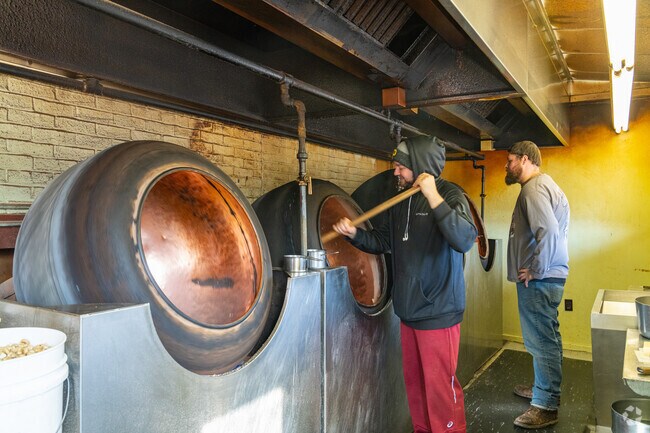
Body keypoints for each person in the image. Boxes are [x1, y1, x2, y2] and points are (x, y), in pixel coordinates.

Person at [332, 135, 477, 433]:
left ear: (420, 167)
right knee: (416, 387)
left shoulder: (450, 196)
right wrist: (354, 234)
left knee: (440, 392)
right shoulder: (402, 200)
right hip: (408, 312)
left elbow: (464, 239)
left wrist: (433, 196)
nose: (395, 172)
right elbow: (384, 241)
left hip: (438, 312)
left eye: (401, 166)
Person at [504, 140, 570, 429]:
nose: (507, 166)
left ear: (526, 159)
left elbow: (549, 232)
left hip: (541, 279)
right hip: (551, 277)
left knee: (540, 340)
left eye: (510, 160)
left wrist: (534, 269)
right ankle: (544, 387)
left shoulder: (532, 188)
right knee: (547, 337)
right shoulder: (546, 185)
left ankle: (545, 406)